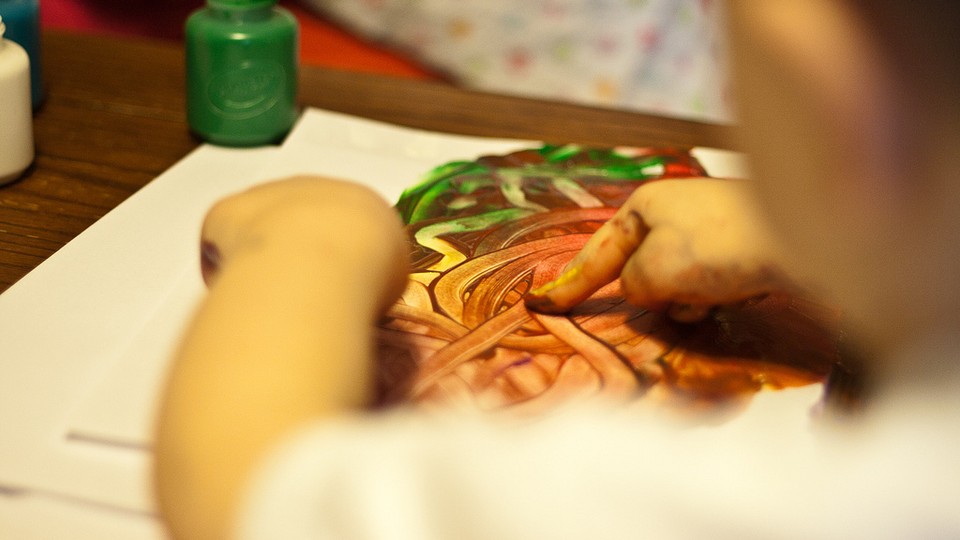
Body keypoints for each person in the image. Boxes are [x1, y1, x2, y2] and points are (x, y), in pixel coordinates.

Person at [154, 1, 960, 539]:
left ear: (841, 103)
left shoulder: (733, 509)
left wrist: (309, 244)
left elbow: (245, 489)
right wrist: (812, 231)